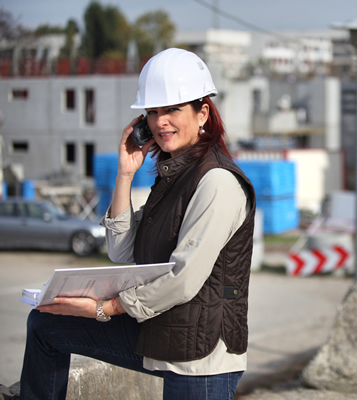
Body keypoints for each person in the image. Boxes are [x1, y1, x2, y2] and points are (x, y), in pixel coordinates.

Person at [15, 48, 256, 400]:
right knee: (46, 325)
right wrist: (125, 174)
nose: (160, 122)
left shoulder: (216, 181)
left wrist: (104, 308)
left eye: (172, 109)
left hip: (200, 357)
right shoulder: (173, 176)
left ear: (202, 113)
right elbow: (121, 249)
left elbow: (182, 279)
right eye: (153, 112)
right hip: (162, 330)